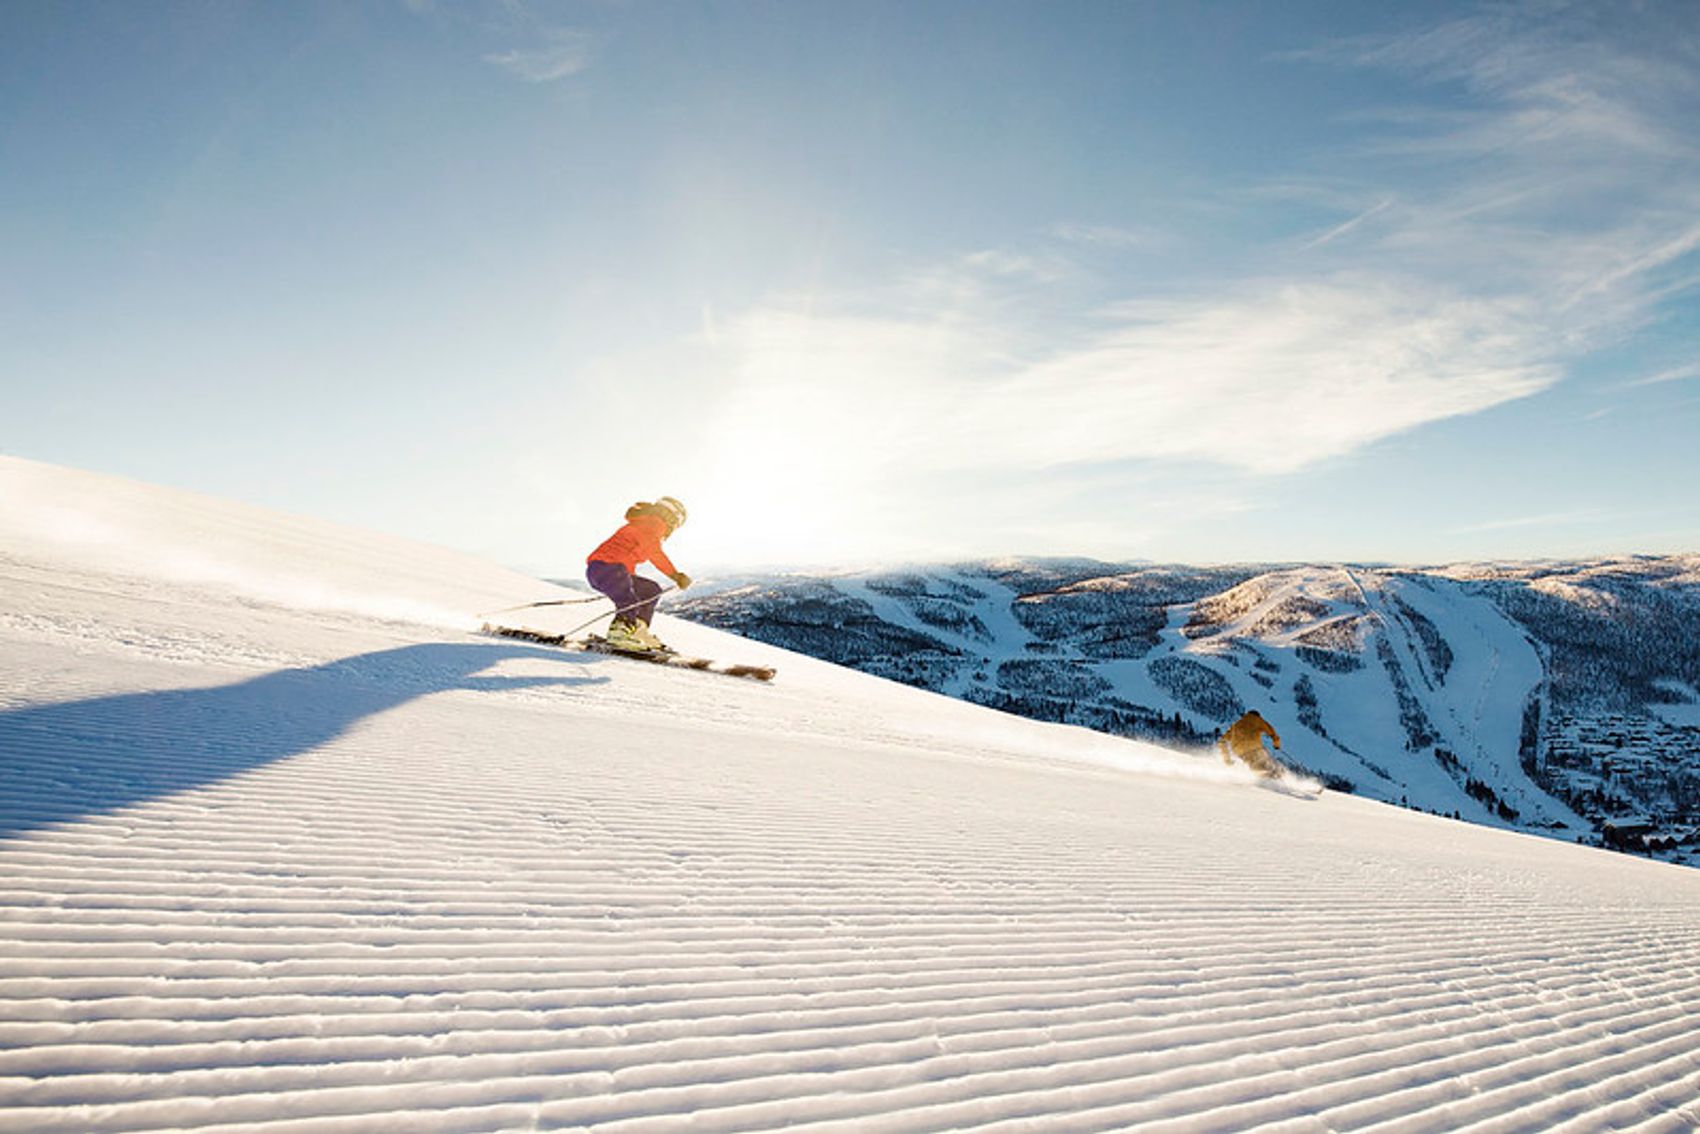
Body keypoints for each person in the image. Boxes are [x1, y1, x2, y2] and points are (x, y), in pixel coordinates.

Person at [586, 496, 693, 652]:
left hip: (608, 571)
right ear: (671, 517)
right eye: (676, 524)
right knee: (629, 601)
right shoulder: (652, 525)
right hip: (608, 568)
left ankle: (637, 630)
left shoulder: (647, 524)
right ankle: (620, 632)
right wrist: (675, 576)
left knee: (651, 590)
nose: (673, 529)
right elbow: (655, 553)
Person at [1219, 710, 1283, 777]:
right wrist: (1276, 745)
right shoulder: (1258, 720)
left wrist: (1226, 758)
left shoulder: (1237, 723)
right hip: (1254, 748)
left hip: (1238, 751)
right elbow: (1272, 733)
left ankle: (1259, 777)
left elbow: (1222, 741)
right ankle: (1271, 777)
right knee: (1265, 760)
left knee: (1251, 763)